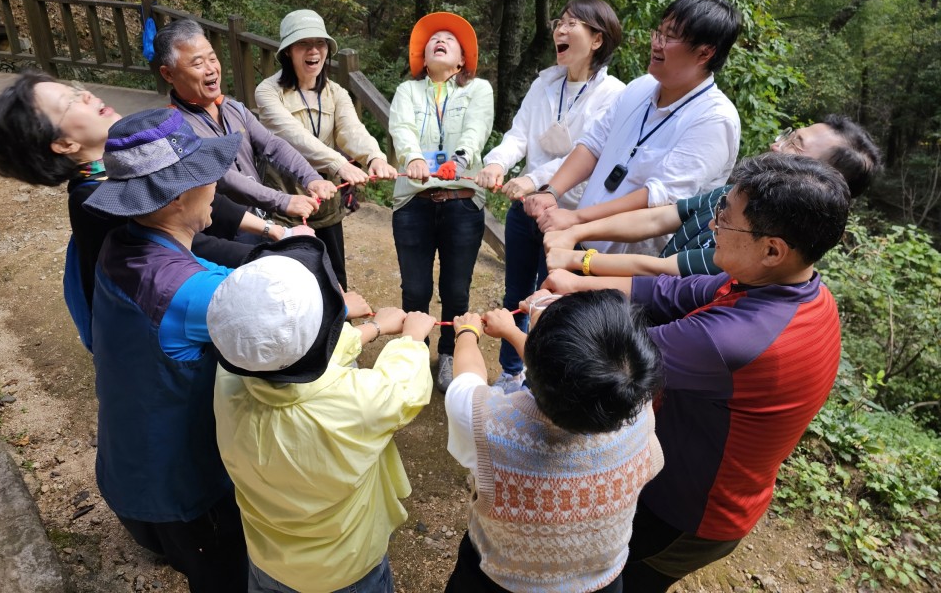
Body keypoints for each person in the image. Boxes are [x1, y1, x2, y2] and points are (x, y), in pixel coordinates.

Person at [552, 153, 851, 590]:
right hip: (705, 482)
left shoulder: (735, 340)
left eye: (725, 221)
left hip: (686, 509)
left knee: (612, 581)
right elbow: (671, 290)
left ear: (772, 249)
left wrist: (542, 320)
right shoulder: (794, 286)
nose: (713, 226)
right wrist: (577, 279)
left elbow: (605, 362)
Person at [0, 69, 303, 348]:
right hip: (152, 315)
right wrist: (277, 256)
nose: (87, 95)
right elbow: (184, 243)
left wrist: (273, 230)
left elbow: (198, 190)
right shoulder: (93, 200)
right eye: (70, 102)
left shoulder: (123, 164)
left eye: (78, 90)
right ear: (64, 145)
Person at [80, 106, 253, 592]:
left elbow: (205, 266)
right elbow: (271, 318)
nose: (217, 185)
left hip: (126, 465)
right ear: (178, 196)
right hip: (185, 492)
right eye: (209, 176)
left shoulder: (120, 242)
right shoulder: (190, 294)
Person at [208, 236, 434, 593]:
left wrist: (367, 331)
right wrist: (411, 338)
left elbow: (289, 360)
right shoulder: (356, 402)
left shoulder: (229, 381)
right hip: (347, 569)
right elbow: (402, 387)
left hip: (268, 561)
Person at [444, 291, 664, 592]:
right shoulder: (636, 405)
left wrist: (467, 333)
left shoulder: (489, 425)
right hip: (601, 580)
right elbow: (575, 379)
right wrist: (514, 330)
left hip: (502, 581)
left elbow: (467, 380)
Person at [474, 0, 626, 391]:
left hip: (570, 219)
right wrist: (497, 163)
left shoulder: (614, 95)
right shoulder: (545, 83)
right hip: (525, 210)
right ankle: (510, 371)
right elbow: (519, 134)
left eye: (571, 23)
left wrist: (536, 181)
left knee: (551, 299)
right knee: (515, 292)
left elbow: (585, 151)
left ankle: (539, 382)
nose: (559, 30)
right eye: (559, 22)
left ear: (597, 39)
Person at [523, 0, 742, 256]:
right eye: (658, 33)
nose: (657, 44)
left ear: (704, 52)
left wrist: (578, 219)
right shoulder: (641, 87)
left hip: (630, 274)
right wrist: (552, 191)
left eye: (669, 37)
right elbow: (593, 145)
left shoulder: (714, 119)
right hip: (581, 245)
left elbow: (658, 199)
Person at [544, 115, 882, 280]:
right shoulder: (739, 194)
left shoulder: (761, 245)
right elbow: (660, 216)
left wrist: (579, 261)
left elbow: (662, 270)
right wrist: (576, 230)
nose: (776, 146)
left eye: (795, 147)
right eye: (788, 137)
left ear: (822, 185)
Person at [389, 11, 494, 392]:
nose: (441, 40)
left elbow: (477, 127)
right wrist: (414, 158)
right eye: (435, 38)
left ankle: (449, 353)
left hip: (462, 201)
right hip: (414, 203)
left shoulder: (477, 90)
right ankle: (414, 355)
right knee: (414, 288)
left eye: (450, 40)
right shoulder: (408, 91)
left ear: (462, 60)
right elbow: (401, 127)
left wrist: (460, 159)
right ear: (423, 55)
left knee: (456, 289)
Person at [255, 9, 397, 289]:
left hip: (328, 201)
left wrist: (374, 157)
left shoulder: (336, 92)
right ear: (288, 52)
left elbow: (351, 130)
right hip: (286, 201)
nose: (313, 51)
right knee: (292, 281)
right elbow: (291, 136)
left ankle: (343, 330)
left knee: (335, 278)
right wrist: (339, 164)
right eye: (303, 44)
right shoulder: (268, 92)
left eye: (319, 43)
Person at [156, 18, 337, 229]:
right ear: (168, 74)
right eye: (197, 64)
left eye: (213, 59)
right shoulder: (175, 129)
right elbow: (224, 177)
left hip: (263, 221)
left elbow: (273, 145)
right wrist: (282, 200)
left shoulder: (233, 108)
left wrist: (311, 178)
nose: (211, 69)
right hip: (225, 232)